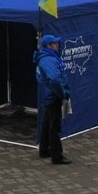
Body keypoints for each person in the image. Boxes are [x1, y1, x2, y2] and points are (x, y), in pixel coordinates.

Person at [34, 34, 72, 165]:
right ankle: (57, 156)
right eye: (55, 43)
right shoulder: (48, 60)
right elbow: (55, 79)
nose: (57, 45)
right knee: (54, 126)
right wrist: (62, 94)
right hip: (53, 96)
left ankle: (44, 149)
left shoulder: (46, 58)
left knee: (47, 123)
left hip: (48, 95)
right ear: (49, 46)